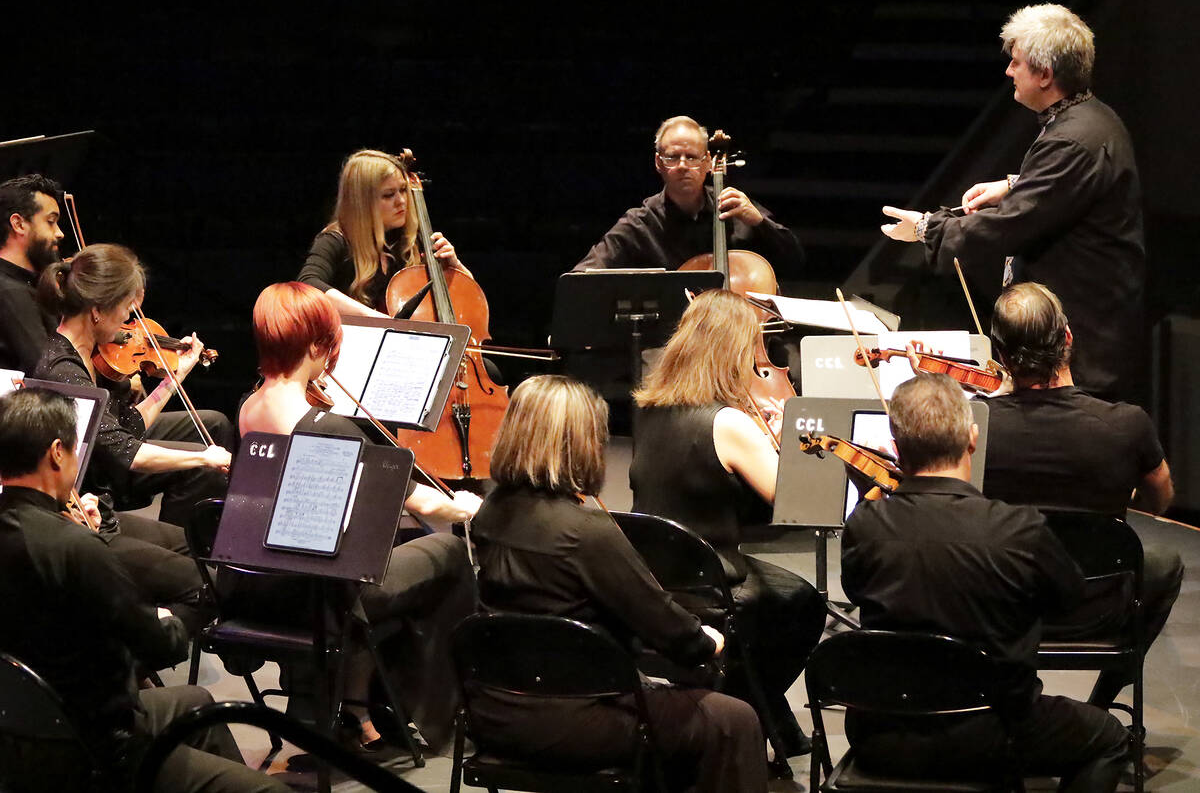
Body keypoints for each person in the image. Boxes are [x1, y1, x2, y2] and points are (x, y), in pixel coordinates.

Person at [471, 374, 767, 793]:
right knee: (733, 719)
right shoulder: (585, 531)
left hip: (493, 710)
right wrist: (707, 640)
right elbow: (668, 630)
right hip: (575, 719)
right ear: (582, 443)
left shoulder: (490, 513)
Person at [841, 373, 1129, 791]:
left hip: (879, 733)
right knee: (1110, 739)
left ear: (896, 446)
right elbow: (1070, 602)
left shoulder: (864, 525)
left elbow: (856, 591)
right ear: (972, 437)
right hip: (993, 730)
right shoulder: (1018, 529)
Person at [0, 387, 288, 793]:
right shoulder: (76, 548)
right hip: (95, 746)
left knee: (197, 702)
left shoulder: (45, 536)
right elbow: (159, 647)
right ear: (56, 454)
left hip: (21, 735)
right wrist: (167, 621)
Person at [238, 281, 480, 750]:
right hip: (328, 594)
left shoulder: (248, 410)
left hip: (271, 584)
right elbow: (423, 503)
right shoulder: (328, 427)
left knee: (397, 546)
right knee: (448, 551)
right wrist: (469, 505)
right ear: (314, 346)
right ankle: (427, 718)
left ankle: (353, 704)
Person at [880, 4, 1144, 402]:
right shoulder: (1091, 119)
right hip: (1088, 331)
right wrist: (1012, 184)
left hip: (1087, 346)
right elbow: (1069, 187)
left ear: (1045, 75)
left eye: (1016, 63)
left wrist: (926, 228)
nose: (1008, 71)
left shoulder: (1072, 139)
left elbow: (1009, 225)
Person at [629, 289, 826, 759]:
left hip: (657, 570)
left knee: (785, 593)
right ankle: (744, 710)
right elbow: (799, 502)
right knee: (802, 604)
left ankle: (765, 717)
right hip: (710, 580)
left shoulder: (651, 410)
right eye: (753, 350)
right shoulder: (729, 423)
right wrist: (791, 441)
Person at [982, 281, 1182, 709]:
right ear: (1067, 338)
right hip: (1095, 609)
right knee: (1165, 562)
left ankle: (1000, 698)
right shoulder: (1128, 424)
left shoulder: (974, 428)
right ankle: (1101, 702)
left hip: (1001, 609)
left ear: (1000, 355)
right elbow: (1161, 500)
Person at [33, 244, 233, 530]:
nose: (129, 320)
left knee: (210, 441)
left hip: (109, 471)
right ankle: (183, 548)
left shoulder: (88, 354)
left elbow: (130, 425)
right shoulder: (64, 371)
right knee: (204, 471)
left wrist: (174, 376)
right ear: (98, 311)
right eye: (126, 309)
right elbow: (128, 452)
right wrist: (203, 457)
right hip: (93, 505)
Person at [573, 115, 804, 272]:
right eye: (673, 157)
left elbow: (794, 260)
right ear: (658, 163)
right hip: (670, 337)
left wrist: (759, 222)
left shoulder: (734, 207)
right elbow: (583, 275)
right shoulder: (640, 224)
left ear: (708, 163)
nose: (682, 165)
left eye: (692, 157)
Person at [298, 148, 471, 318]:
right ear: (363, 202)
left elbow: (468, 301)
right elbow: (308, 284)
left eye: (403, 190)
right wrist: (377, 320)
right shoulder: (335, 240)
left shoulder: (411, 241)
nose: (402, 201)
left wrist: (455, 267)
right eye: (389, 195)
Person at [0, 174, 64, 373]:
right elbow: (47, 371)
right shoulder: (9, 291)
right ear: (19, 224)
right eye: (51, 222)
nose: (60, 233)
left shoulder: (29, 284)